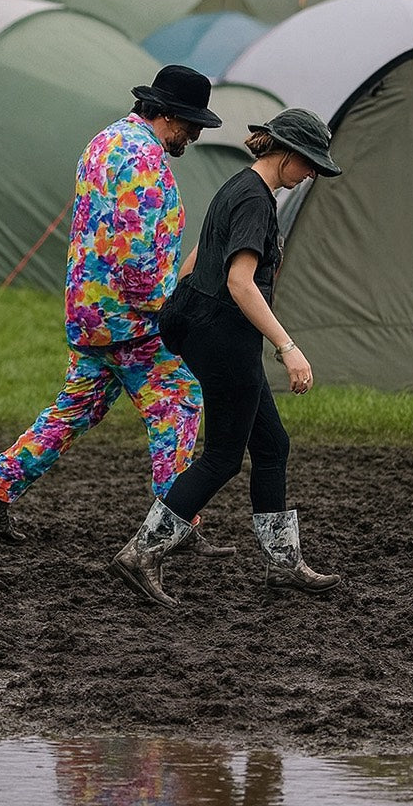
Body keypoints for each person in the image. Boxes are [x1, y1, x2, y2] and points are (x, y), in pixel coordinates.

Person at [0, 65, 233, 558]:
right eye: (192, 124)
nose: (194, 135)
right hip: (132, 319)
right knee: (181, 400)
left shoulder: (103, 142)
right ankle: (177, 521)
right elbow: (135, 254)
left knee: (80, 405)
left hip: (88, 312)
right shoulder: (145, 160)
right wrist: (167, 308)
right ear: (168, 116)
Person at [109, 108, 343, 608]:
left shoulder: (238, 186)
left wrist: (179, 299)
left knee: (273, 445)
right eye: (311, 165)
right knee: (221, 457)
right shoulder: (257, 201)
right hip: (224, 334)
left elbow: (202, 250)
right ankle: (141, 553)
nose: (311, 176)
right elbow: (240, 282)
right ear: (288, 154)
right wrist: (288, 347)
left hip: (202, 323)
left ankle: (283, 564)